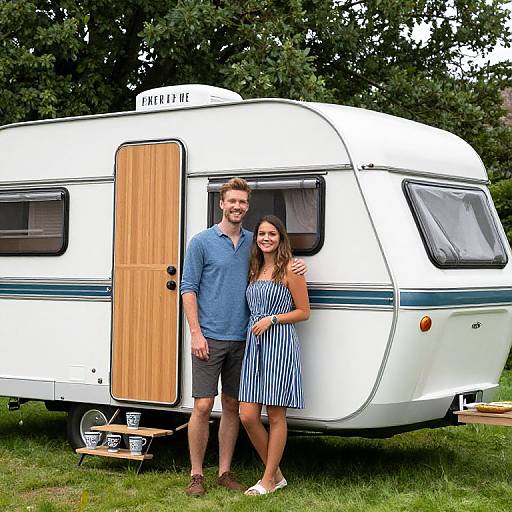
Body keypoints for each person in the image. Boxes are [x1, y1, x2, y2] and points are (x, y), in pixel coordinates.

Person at [180, 178, 306, 497]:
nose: (237, 206)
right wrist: (195, 332)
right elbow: (188, 289)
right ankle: (196, 474)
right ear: (221, 203)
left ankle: (224, 471)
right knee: (203, 405)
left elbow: (277, 256)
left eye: (242, 202)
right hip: (208, 336)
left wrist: (298, 262)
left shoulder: (253, 243)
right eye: (231, 201)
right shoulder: (201, 242)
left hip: (246, 342)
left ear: (247, 207)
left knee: (234, 406)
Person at [238, 215, 310, 495]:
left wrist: (273, 320)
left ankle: (267, 480)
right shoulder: (254, 268)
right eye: (261, 234)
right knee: (247, 415)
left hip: (279, 342)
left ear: (281, 238)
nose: (266, 238)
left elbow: (304, 312)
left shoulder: (291, 268)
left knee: (276, 415)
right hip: (254, 344)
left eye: (272, 234)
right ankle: (277, 474)